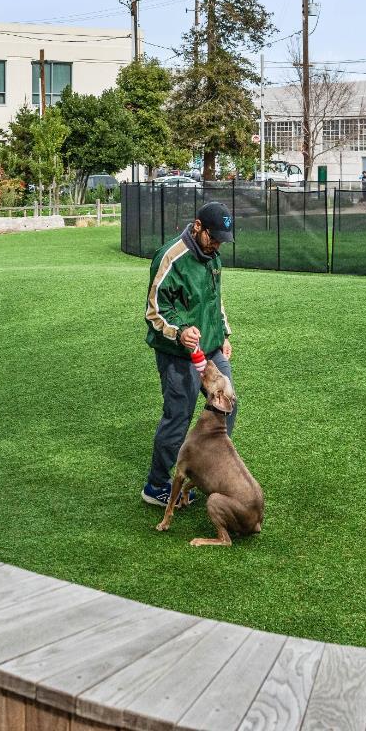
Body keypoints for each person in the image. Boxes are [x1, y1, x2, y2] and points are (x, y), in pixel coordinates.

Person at [142, 200, 235, 507]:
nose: (217, 245)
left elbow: (215, 298)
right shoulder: (171, 257)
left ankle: (206, 470)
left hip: (211, 347)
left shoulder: (213, 256)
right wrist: (180, 331)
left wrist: (223, 334)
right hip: (177, 353)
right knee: (178, 417)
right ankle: (156, 484)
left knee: (227, 405)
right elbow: (155, 311)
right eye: (213, 238)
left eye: (222, 240)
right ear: (198, 227)